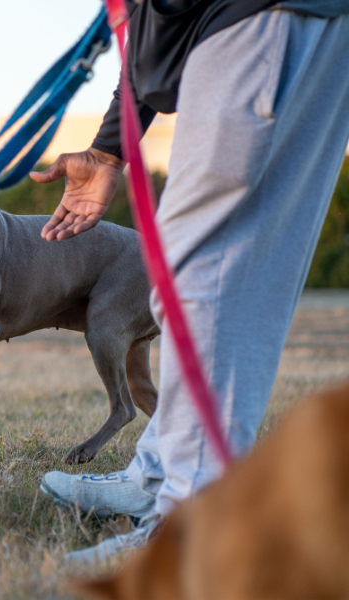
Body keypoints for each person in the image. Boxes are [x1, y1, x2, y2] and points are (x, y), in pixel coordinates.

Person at [30, 0, 349, 567]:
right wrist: (109, 147)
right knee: (216, 270)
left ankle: (192, 526)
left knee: (208, 275)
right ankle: (160, 478)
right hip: (283, 24)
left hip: (258, 24)